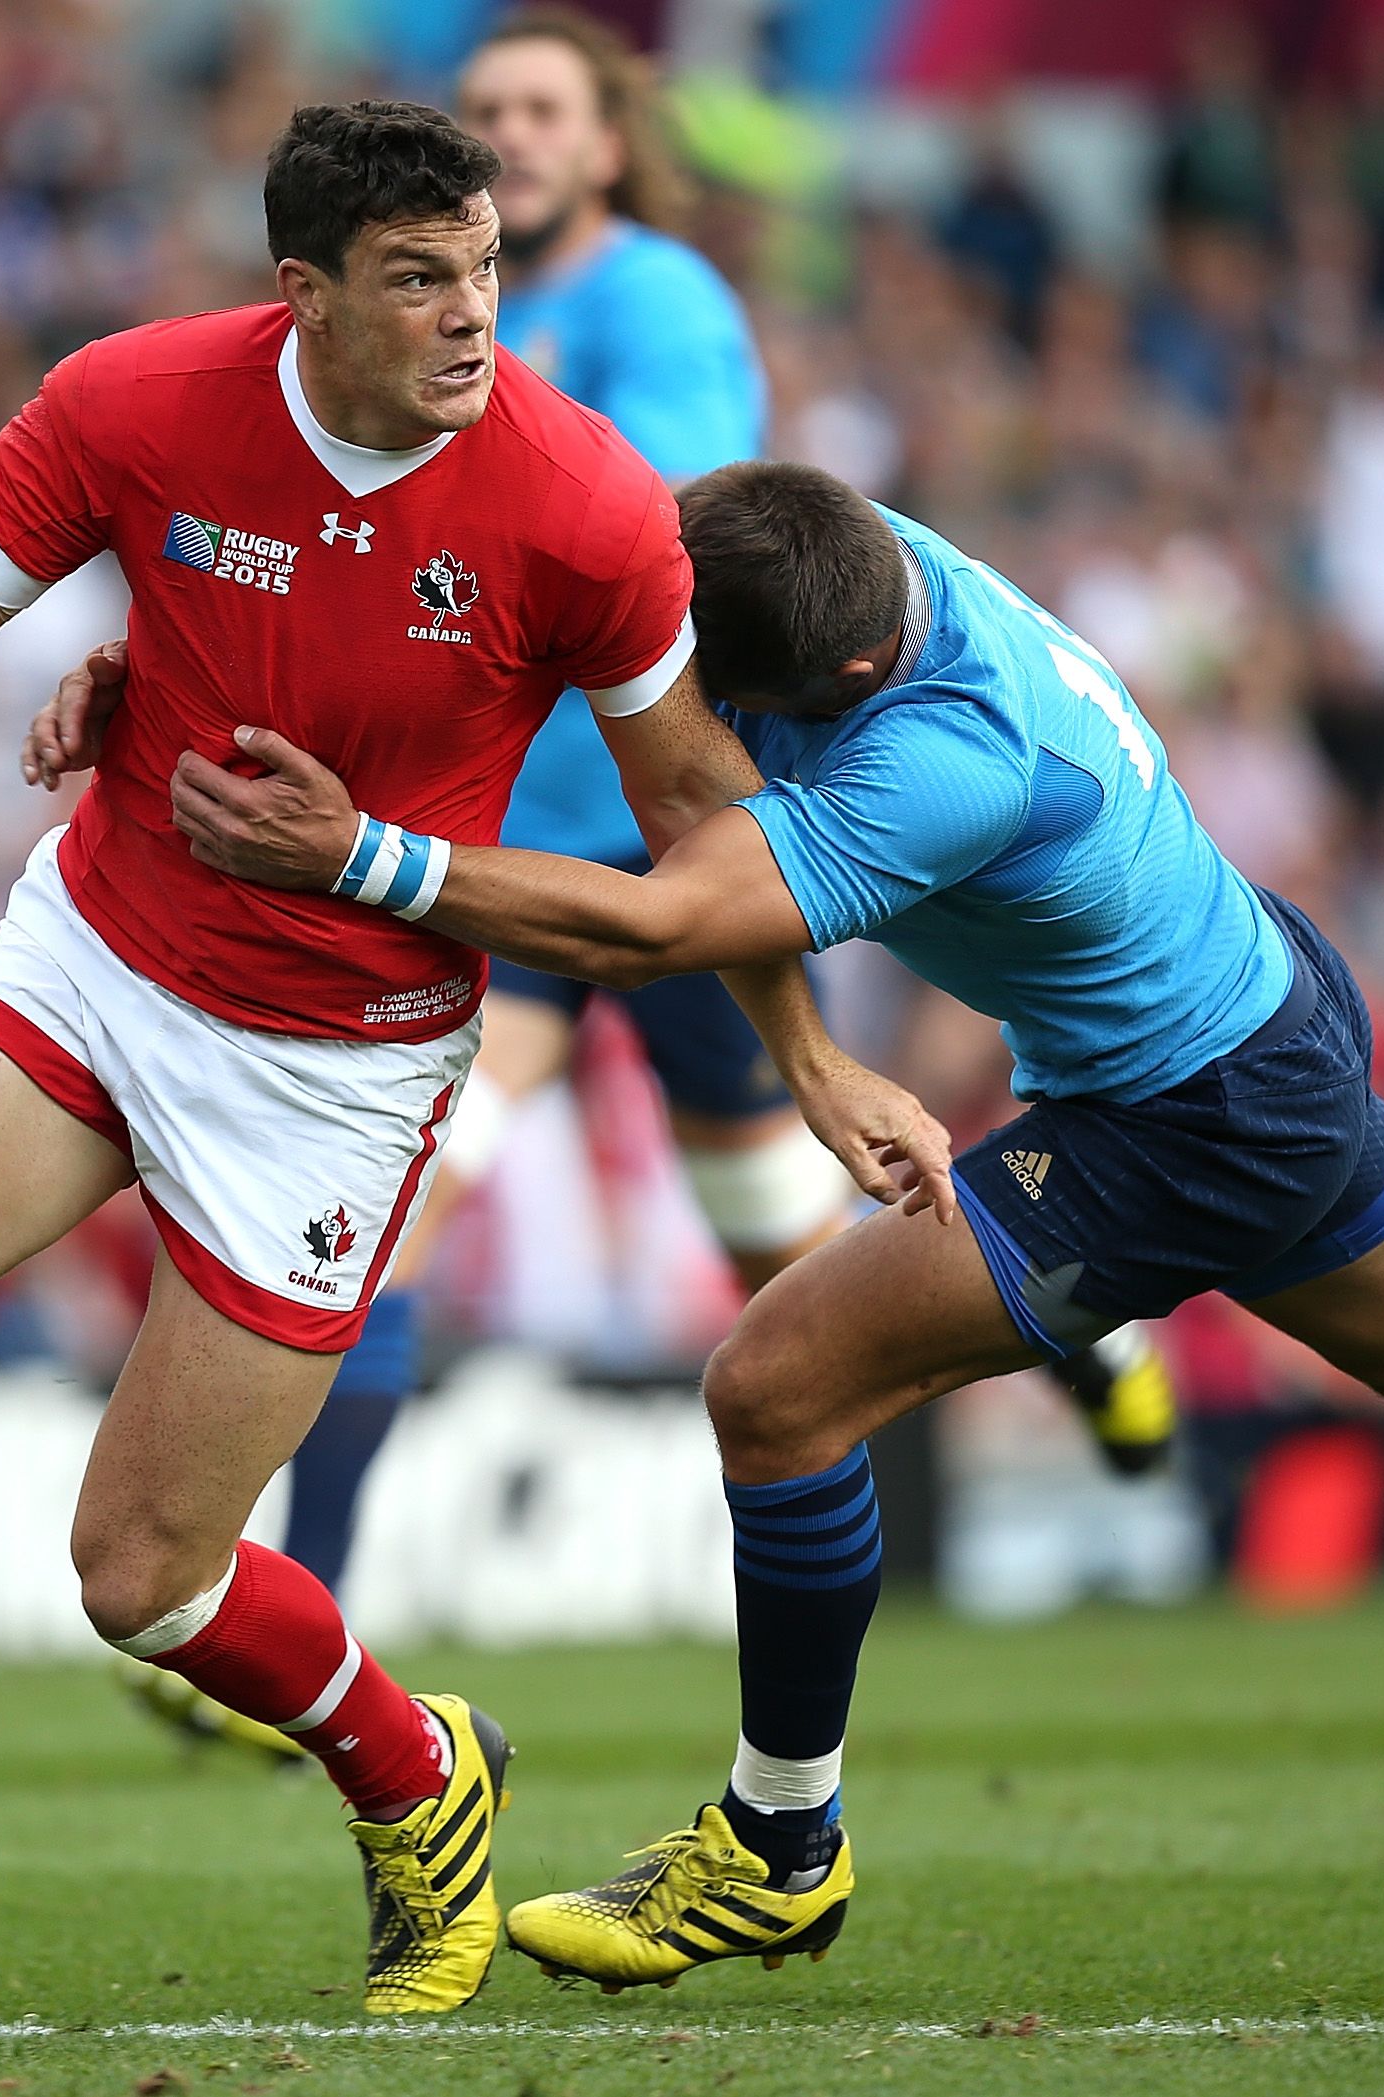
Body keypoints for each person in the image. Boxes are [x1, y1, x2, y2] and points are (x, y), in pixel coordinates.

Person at [0, 108, 948, 2017]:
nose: (475, 316)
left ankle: (417, 1770)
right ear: (301, 294)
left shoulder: (589, 505)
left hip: (338, 1063)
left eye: (480, 268)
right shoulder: (133, 405)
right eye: (419, 280)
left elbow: (705, 814)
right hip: (98, 955)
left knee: (141, 1577)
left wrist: (803, 1060)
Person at [166, 459, 1384, 1992]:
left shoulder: (942, 765)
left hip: (1184, 1114)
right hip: (1243, 1003)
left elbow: (659, 921)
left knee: (778, 1386)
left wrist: (357, 856)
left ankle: (777, 1845)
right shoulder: (837, 556)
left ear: (811, 689)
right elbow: (665, 712)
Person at [239, 11, 1169, 1676]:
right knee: (407, 1196)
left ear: (608, 147)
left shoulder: (656, 299)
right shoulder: (440, 317)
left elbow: (651, 529)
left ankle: (1073, 1333)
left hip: (685, 859)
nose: (511, 130)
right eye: (488, 106)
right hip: (526, 872)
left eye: (546, 108)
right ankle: (309, 1614)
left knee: (791, 1259)